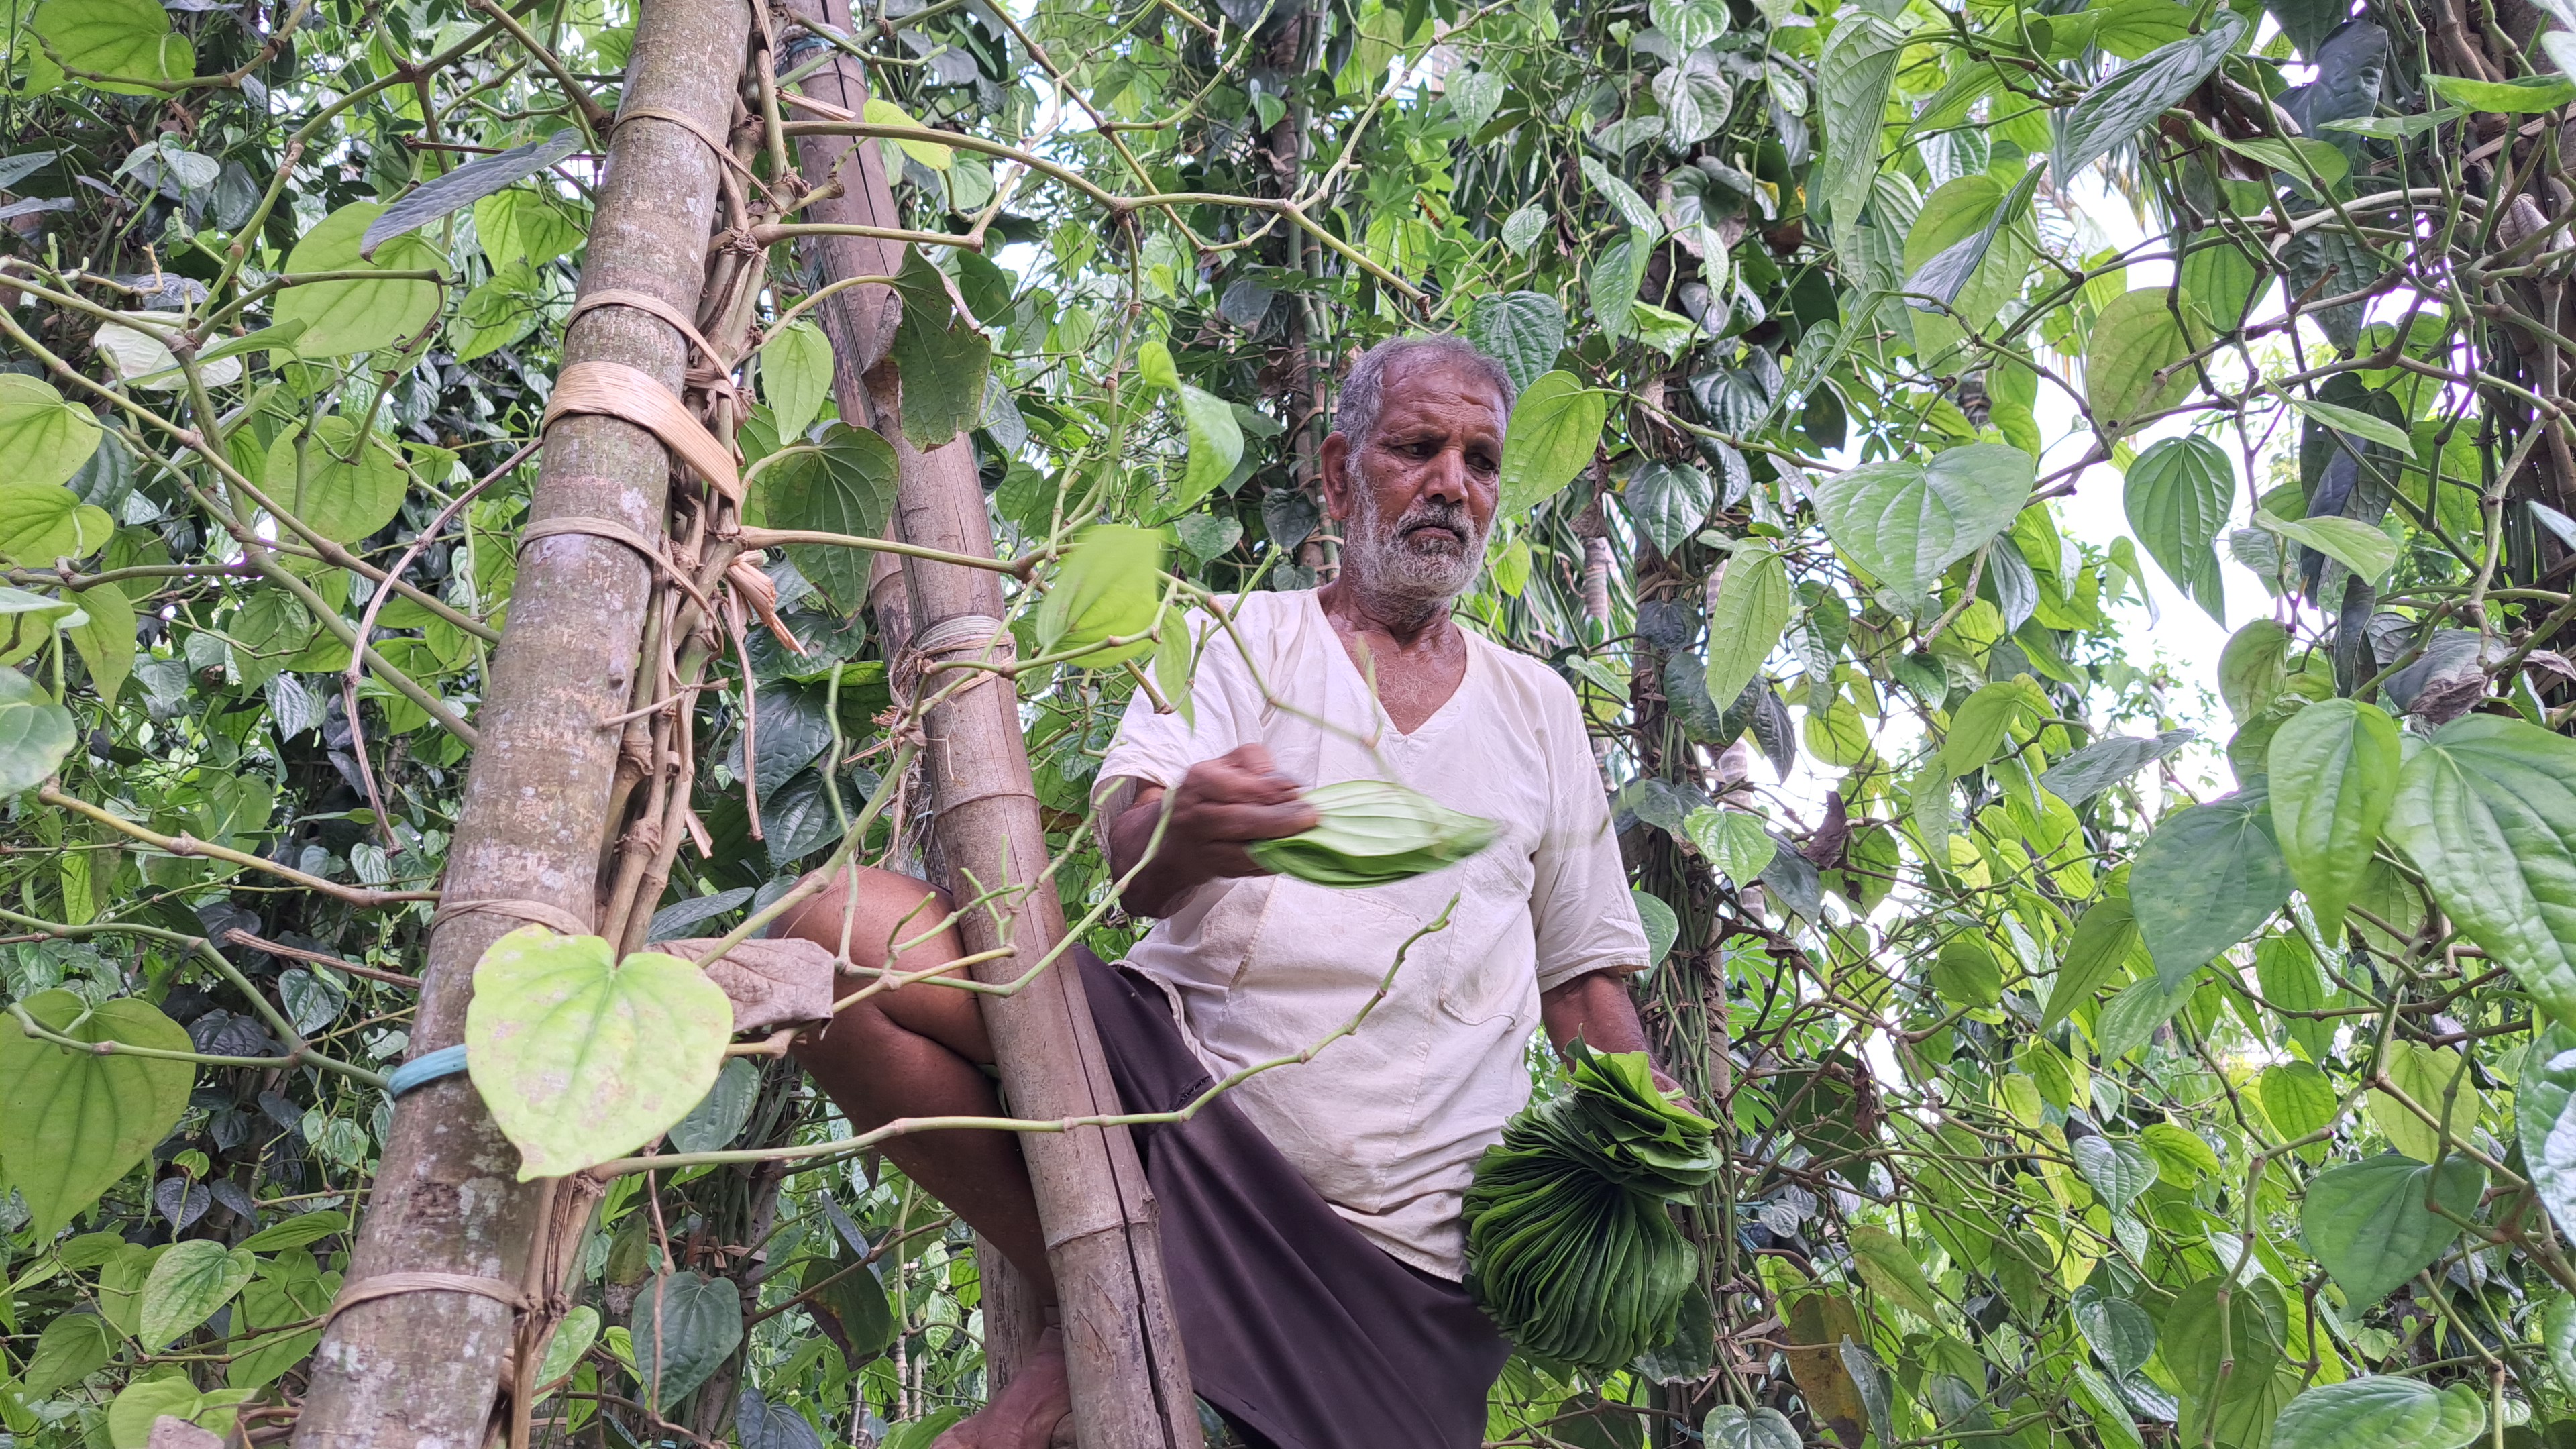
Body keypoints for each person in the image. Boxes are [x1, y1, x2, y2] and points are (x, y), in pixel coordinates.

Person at [782, 335, 1669, 1449]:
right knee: (832, 937)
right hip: (1168, 1101)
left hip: (1400, 1261)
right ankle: (1123, 1275)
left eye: (1481, 460)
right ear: (1344, 472)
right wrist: (1186, 836)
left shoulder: (1537, 709)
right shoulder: (1238, 636)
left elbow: (1583, 984)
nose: (1452, 483)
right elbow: (1130, 854)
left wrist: (1648, 1132)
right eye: (1418, 447)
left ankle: (1125, 1301)